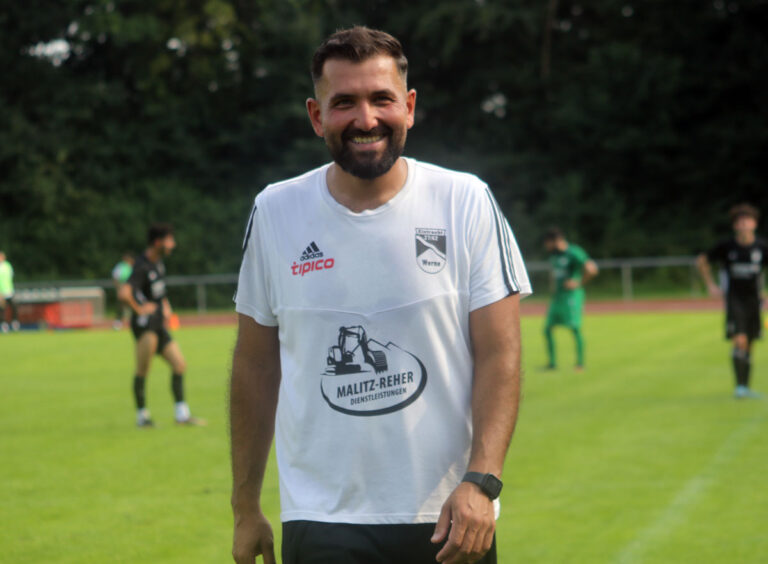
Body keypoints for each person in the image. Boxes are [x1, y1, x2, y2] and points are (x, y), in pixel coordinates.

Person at [230, 26, 531, 564]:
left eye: (381, 99)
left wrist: (482, 482)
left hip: (448, 515)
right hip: (321, 516)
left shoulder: (464, 201)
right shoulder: (276, 211)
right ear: (317, 116)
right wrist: (245, 507)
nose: (365, 119)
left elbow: (500, 353)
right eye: (344, 102)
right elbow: (255, 365)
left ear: (409, 106)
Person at [118, 224, 205, 427]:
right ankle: (142, 417)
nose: (173, 245)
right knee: (143, 370)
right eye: (169, 240)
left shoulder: (158, 264)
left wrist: (165, 308)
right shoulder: (142, 265)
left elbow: (159, 294)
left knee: (179, 364)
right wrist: (140, 310)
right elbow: (124, 293)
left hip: (158, 324)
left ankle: (182, 415)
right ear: (158, 242)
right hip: (145, 326)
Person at [697, 203, 768, 399]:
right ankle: (740, 388)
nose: (744, 225)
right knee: (740, 340)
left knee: (750, 344)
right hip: (734, 300)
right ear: (735, 226)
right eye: (740, 222)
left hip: (755, 301)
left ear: (754, 223)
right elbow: (702, 260)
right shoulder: (727, 246)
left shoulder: (762, 247)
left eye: (747, 221)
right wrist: (710, 285)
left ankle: (745, 386)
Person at [542, 227, 598, 371]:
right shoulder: (554, 256)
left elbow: (592, 269)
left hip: (571, 296)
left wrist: (578, 283)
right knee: (547, 329)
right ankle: (552, 364)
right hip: (557, 297)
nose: (545, 246)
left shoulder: (574, 252)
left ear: (555, 241)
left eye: (547, 242)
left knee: (575, 328)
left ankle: (580, 364)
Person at [111, 252, 134, 330]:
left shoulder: (131, 266)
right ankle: (118, 323)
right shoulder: (120, 266)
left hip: (130, 287)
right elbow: (115, 278)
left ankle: (132, 322)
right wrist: (118, 289)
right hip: (122, 286)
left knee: (132, 304)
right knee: (121, 306)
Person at [0, 251, 20, 333]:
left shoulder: (8, 265)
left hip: (9, 291)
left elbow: (11, 277)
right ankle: (4, 325)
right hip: (1, 293)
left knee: (14, 306)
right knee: (2, 309)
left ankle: (15, 323)